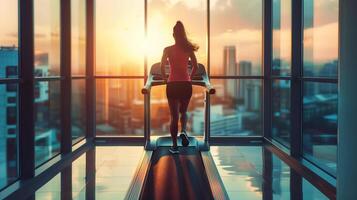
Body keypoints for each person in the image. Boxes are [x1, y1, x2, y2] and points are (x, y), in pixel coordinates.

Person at [160, 21, 199, 154]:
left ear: (173, 35)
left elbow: (161, 67)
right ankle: (183, 131)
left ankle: (175, 146)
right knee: (184, 112)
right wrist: (190, 78)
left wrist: (166, 79)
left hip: (172, 85)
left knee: (174, 117)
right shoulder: (188, 49)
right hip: (186, 85)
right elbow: (196, 66)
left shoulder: (167, 49)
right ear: (182, 34)